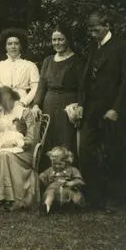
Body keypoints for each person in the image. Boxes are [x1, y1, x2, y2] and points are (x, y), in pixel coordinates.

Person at [78, 11, 126, 208]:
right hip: (91, 109)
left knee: (111, 154)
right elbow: (86, 79)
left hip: (110, 110)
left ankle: (111, 199)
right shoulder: (93, 46)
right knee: (85, 150)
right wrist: (80, 104)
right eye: (90, 30)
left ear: (107, 26)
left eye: (96, 30)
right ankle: (94, 197)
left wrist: (116, 108)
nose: (92, 34)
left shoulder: (123, 47)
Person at [0, 86, 39, 211]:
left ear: (13, 98)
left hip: (22, 151)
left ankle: (12, 200)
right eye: (2, 101)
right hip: (1, 148)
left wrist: (14, 143)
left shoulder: (25, 112)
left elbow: (30, 138)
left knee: (4, 157)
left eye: (7, 100)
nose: (5, 104)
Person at [32, 24, 86, 159]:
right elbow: (42, 85)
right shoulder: (48, 61)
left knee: (66, 140)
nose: (57, 43)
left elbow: (82, 88)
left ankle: (67, 175)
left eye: (60, 39)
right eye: (54, 40)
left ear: (67, 40)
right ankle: (49, 176)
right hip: (49, 105)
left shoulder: (77, 61)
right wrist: (36, 104)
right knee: (48, 139)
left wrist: (80, 108)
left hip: (67, 107)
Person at [0, 28, 40, 107]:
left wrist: (24, 102)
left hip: (22, 105)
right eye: (9, 44)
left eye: (16, 43)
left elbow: (36, 88)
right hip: (1, 106)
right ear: (5, 47)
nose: (13, 46)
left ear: (20, 46)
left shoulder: (30, 66)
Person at [39, 146, 86, 214]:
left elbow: (80, 181)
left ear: (66, 162)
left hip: (67, 187)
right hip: (53, 188)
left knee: (72, 194)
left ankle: (72, 207)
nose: (57, 166)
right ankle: (47, 207)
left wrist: (71, 183)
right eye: (54, 164)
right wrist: (41, 177)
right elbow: (43, 177)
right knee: (50, 194)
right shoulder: (50, 170)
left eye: (60, 164)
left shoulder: (72, 170)